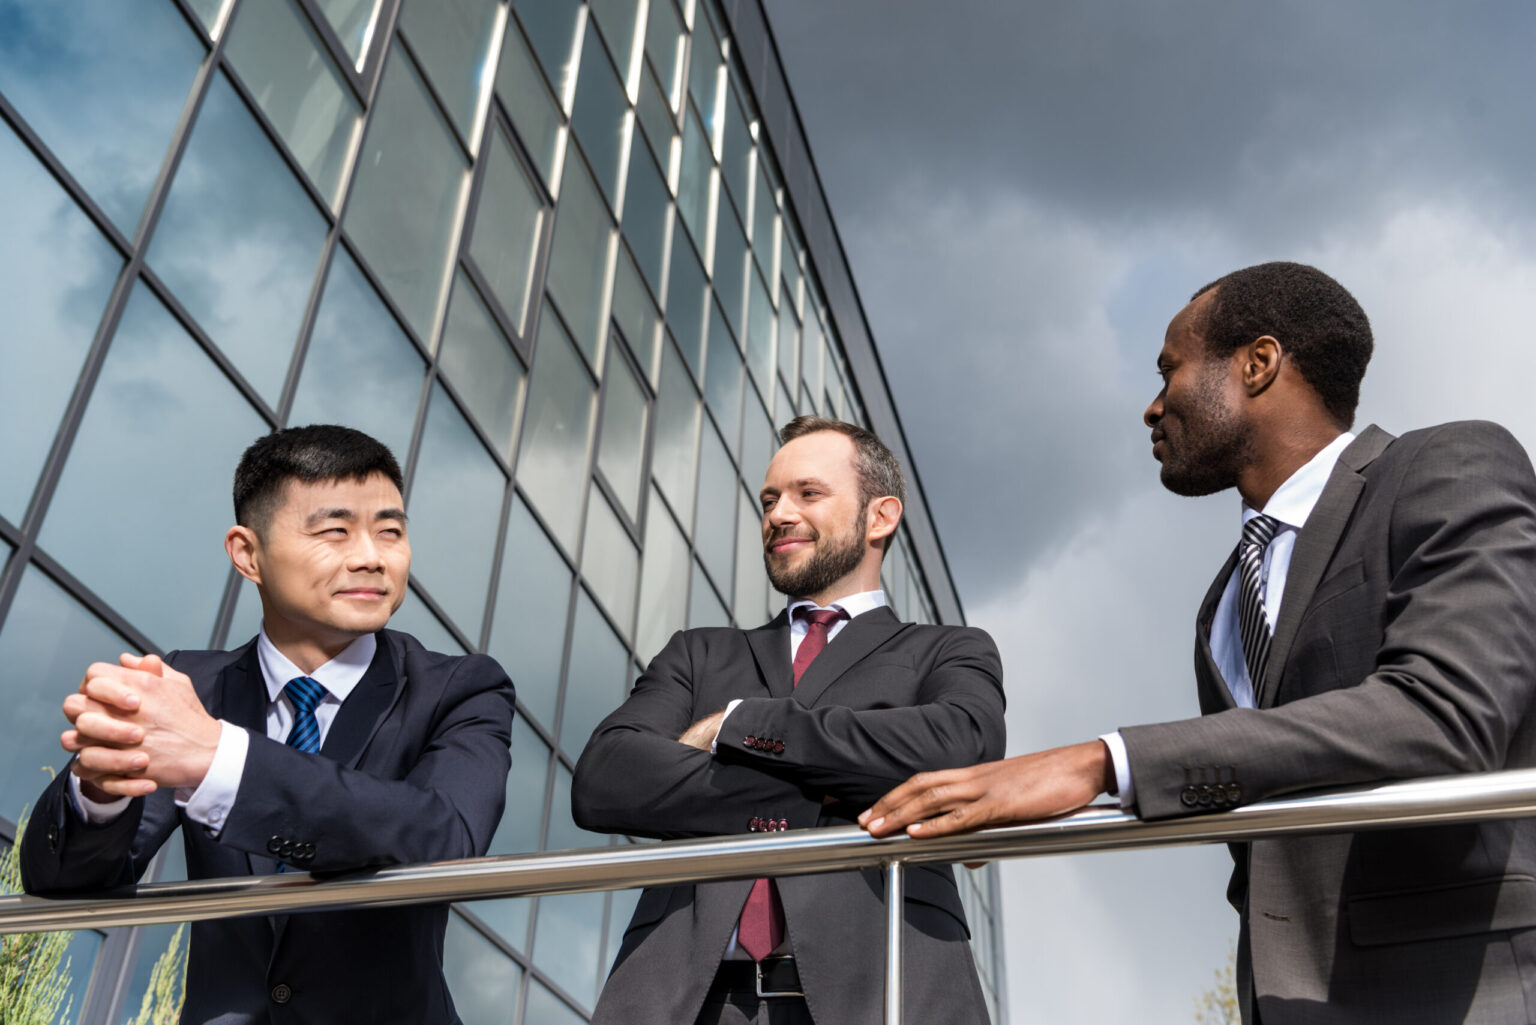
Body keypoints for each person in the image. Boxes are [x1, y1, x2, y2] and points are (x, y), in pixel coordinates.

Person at [863, 262, 1536, 1024]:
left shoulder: (1446, 466)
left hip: (1462, 991)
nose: (1152, 407)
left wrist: (1101, 764)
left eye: (1169, 370)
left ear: (1258, 363)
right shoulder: (1221, 605)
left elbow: (1448, 715)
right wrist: (1048, 809)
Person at [21, 424, 517, 1025]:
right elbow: (67, 886)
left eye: (391, 530)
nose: (371, 555)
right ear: (247, 554)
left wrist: (221, 762)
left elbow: (446, 841)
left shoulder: (460, 688)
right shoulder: (189, 688)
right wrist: (101, 789)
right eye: (335, 531)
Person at [572, 416, 1006, 1025]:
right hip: (687, 1001)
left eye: (808, 493)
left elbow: (963, 753)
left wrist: (738, 726)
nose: (778, 513)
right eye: (770, 499)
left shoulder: (947, 650)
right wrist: (851, 782)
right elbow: (605, 780)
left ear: (880, 516)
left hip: (886, 994)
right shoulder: (699, 653)